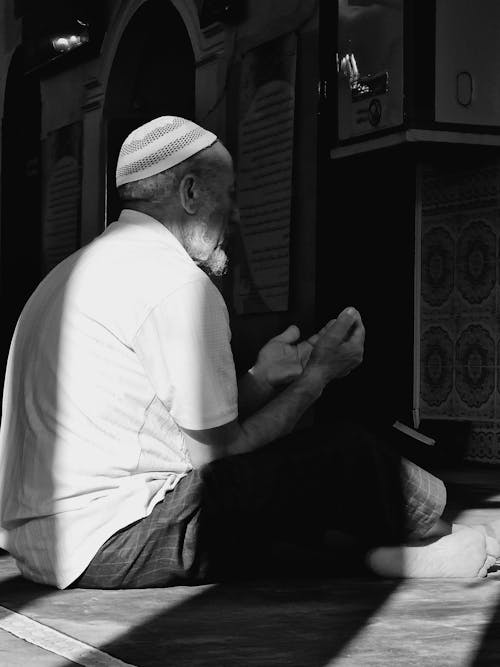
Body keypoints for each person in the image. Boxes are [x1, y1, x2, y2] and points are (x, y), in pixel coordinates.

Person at [0, 116, 498, 590]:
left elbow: (176, 426)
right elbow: (220, 459)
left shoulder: (68, 275)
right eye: (229, 195)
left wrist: (262, 377)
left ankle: (390, 551)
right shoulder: (176, 284)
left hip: (48, 549)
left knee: (292, 504)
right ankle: (442, 535)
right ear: (191, 192)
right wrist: (317, 377)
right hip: (119, 538)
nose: (235, 215)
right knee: (341, 452)